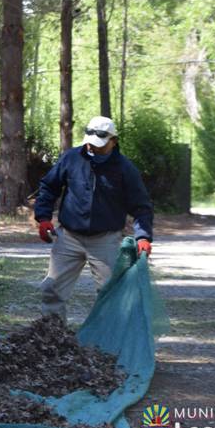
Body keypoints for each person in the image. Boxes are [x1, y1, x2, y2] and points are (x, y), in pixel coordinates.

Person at [34, 115, 154, 322]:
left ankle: (106, 344)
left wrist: (143, 236)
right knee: (52, 288)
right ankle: (51, 337)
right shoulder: (70, 158)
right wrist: (43, 217)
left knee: (110, 294)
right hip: (69, 237)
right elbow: (48, 186)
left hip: (105, 240)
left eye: (98, 145)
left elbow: (142, 206)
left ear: (113, 141)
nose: (92, 148)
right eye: (89, 143)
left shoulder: (125, 169)